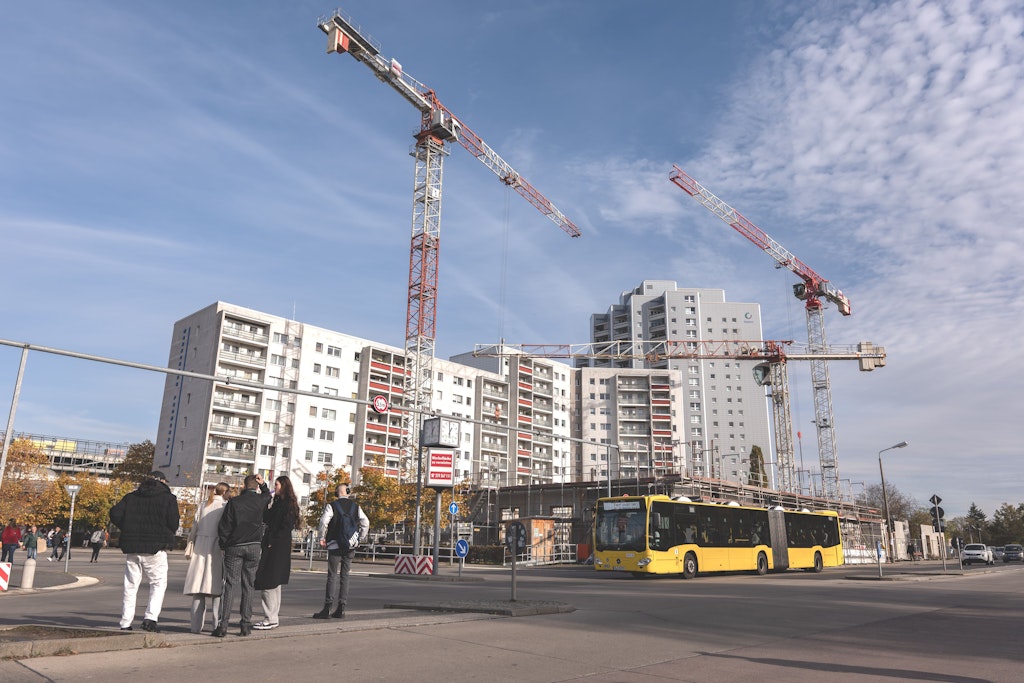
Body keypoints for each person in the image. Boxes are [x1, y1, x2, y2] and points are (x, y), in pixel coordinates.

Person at [109, 470, 180, 633]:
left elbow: (115, 513)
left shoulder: (131, 497)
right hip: (156, 548)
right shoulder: (168, 499)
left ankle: (125, 622)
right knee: (158, 583)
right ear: (162, 481)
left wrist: (127, 527)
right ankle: (150, 618)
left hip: (132, 546)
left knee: (130, 585)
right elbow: (173, 522)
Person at [214, 473, 270, 637]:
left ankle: (223, 626)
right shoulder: (261, 500)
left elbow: (224, 526)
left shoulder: (234, 502)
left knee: (230, 584)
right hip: (253, 546)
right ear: (257, 486)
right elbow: (268, 496)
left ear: (244, 486)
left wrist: (224, 544)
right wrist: (264, 484)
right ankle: (245, 624)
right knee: (248, 585)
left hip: (235, 547)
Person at [313, 483, 368, 620]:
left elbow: (324, 522)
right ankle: (341, 608)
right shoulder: (356, 507)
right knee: (345, 576)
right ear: (347, 492)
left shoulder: (332, 505)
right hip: (350, 546)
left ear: (337, 493)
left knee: (332, 576)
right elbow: (366, 523)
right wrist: (359, 538)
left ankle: (327, 608)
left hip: (334, 545)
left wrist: (321, 537)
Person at [253, 476, 301, 630]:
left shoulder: (287, 505)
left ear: (284, 486)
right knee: (274, 582)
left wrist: (272, 540)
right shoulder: (280, 502)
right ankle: (272, 617)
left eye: (277, 485)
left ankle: (270, 618)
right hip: (276, 544)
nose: (276, 487)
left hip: (276, 545)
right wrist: (265, 491)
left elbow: (285, 526)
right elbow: (267, 517)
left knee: (269, 581)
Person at [183, 482, 231, 634]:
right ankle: (217, 625)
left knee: (198, 591)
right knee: (216, 591)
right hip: (216, 547)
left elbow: (194, 527)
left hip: (200, 546)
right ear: (225, 492)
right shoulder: (225, 506)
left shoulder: (203, 505)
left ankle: (195, 627)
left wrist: (191, 543)